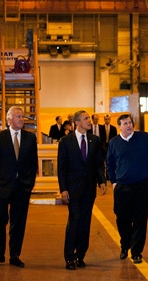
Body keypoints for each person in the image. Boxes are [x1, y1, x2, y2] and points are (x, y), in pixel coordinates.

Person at [106, 113, 148, 264]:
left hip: (141, 186)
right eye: (125, 123)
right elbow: (109, 164)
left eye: (130, 122)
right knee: (122, 219)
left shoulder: (144, 138)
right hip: (122, 188)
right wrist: (114, 182)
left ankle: (136, 252)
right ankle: (125, 246)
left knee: (140, 220)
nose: (129, 125)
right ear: (119, 126)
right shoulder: (114, 143)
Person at [0, 105, 38, 268]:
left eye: (22, 117)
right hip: (2, 186)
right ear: (9, 119)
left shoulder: (30, 138)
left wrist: (30, 183)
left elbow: (33, 163)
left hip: (22, 187)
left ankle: (15, 255)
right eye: (18, 116)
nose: (22, 119)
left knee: (18, 222)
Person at [58, 110, 107, 270]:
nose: (89, 121)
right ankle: (69, 257)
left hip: (88, 189)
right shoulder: (65, 141)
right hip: (72, 189)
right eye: (86, 118)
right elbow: (62, 167)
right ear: (77, 123)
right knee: (74, 220)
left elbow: (98, 163)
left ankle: (80, 255)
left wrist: (101, 181)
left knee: (86, 222)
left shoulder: (95, 140)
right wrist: (63, 189)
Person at [99, 114, 117, 178]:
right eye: (106, 119)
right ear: (104, 120)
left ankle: (108, 175)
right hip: (103, 146)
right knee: (102, 162)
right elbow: (100, 137)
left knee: (109, 161)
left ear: (110, 119)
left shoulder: (113, 128)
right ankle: (102, 175)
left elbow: (115, 138)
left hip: (110, 146)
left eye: (108, 119)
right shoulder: (100, 128)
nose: (107, 120)